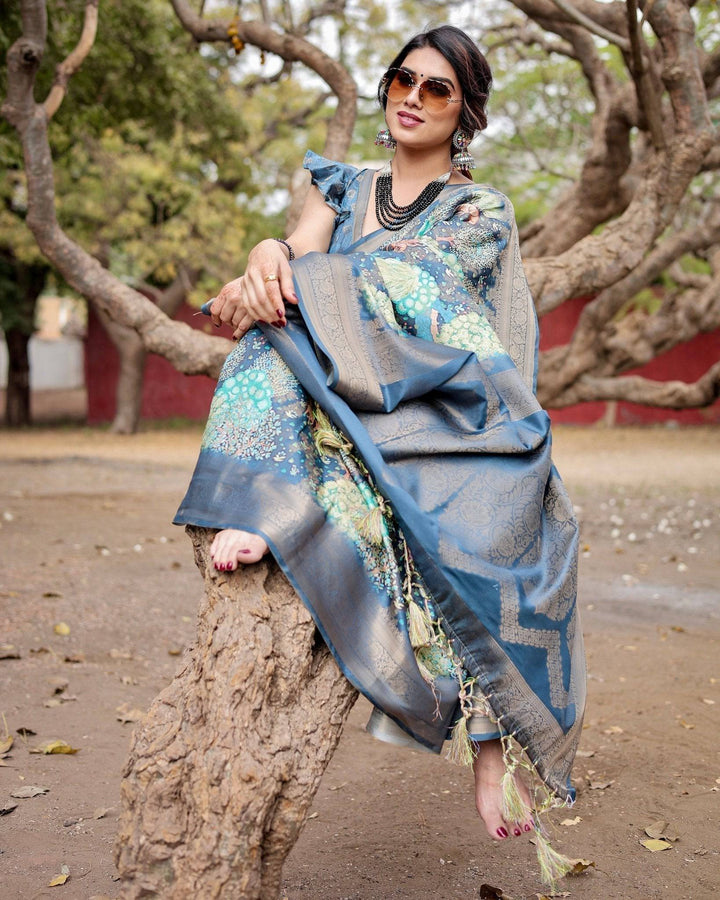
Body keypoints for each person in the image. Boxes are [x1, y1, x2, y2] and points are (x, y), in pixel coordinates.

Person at [175, 24, 585, 883]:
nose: (411, 96)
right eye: (402, 78)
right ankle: (266, 502)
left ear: (464, 112)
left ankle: (492, 741)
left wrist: (294, 280)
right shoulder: (345, 184)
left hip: (434, 395)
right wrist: (264, 261)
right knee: (269, 329)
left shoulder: (481, 210)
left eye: (436, 89)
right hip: (337, 377)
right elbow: (292, 249)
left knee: (510, 523)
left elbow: (420, 286)